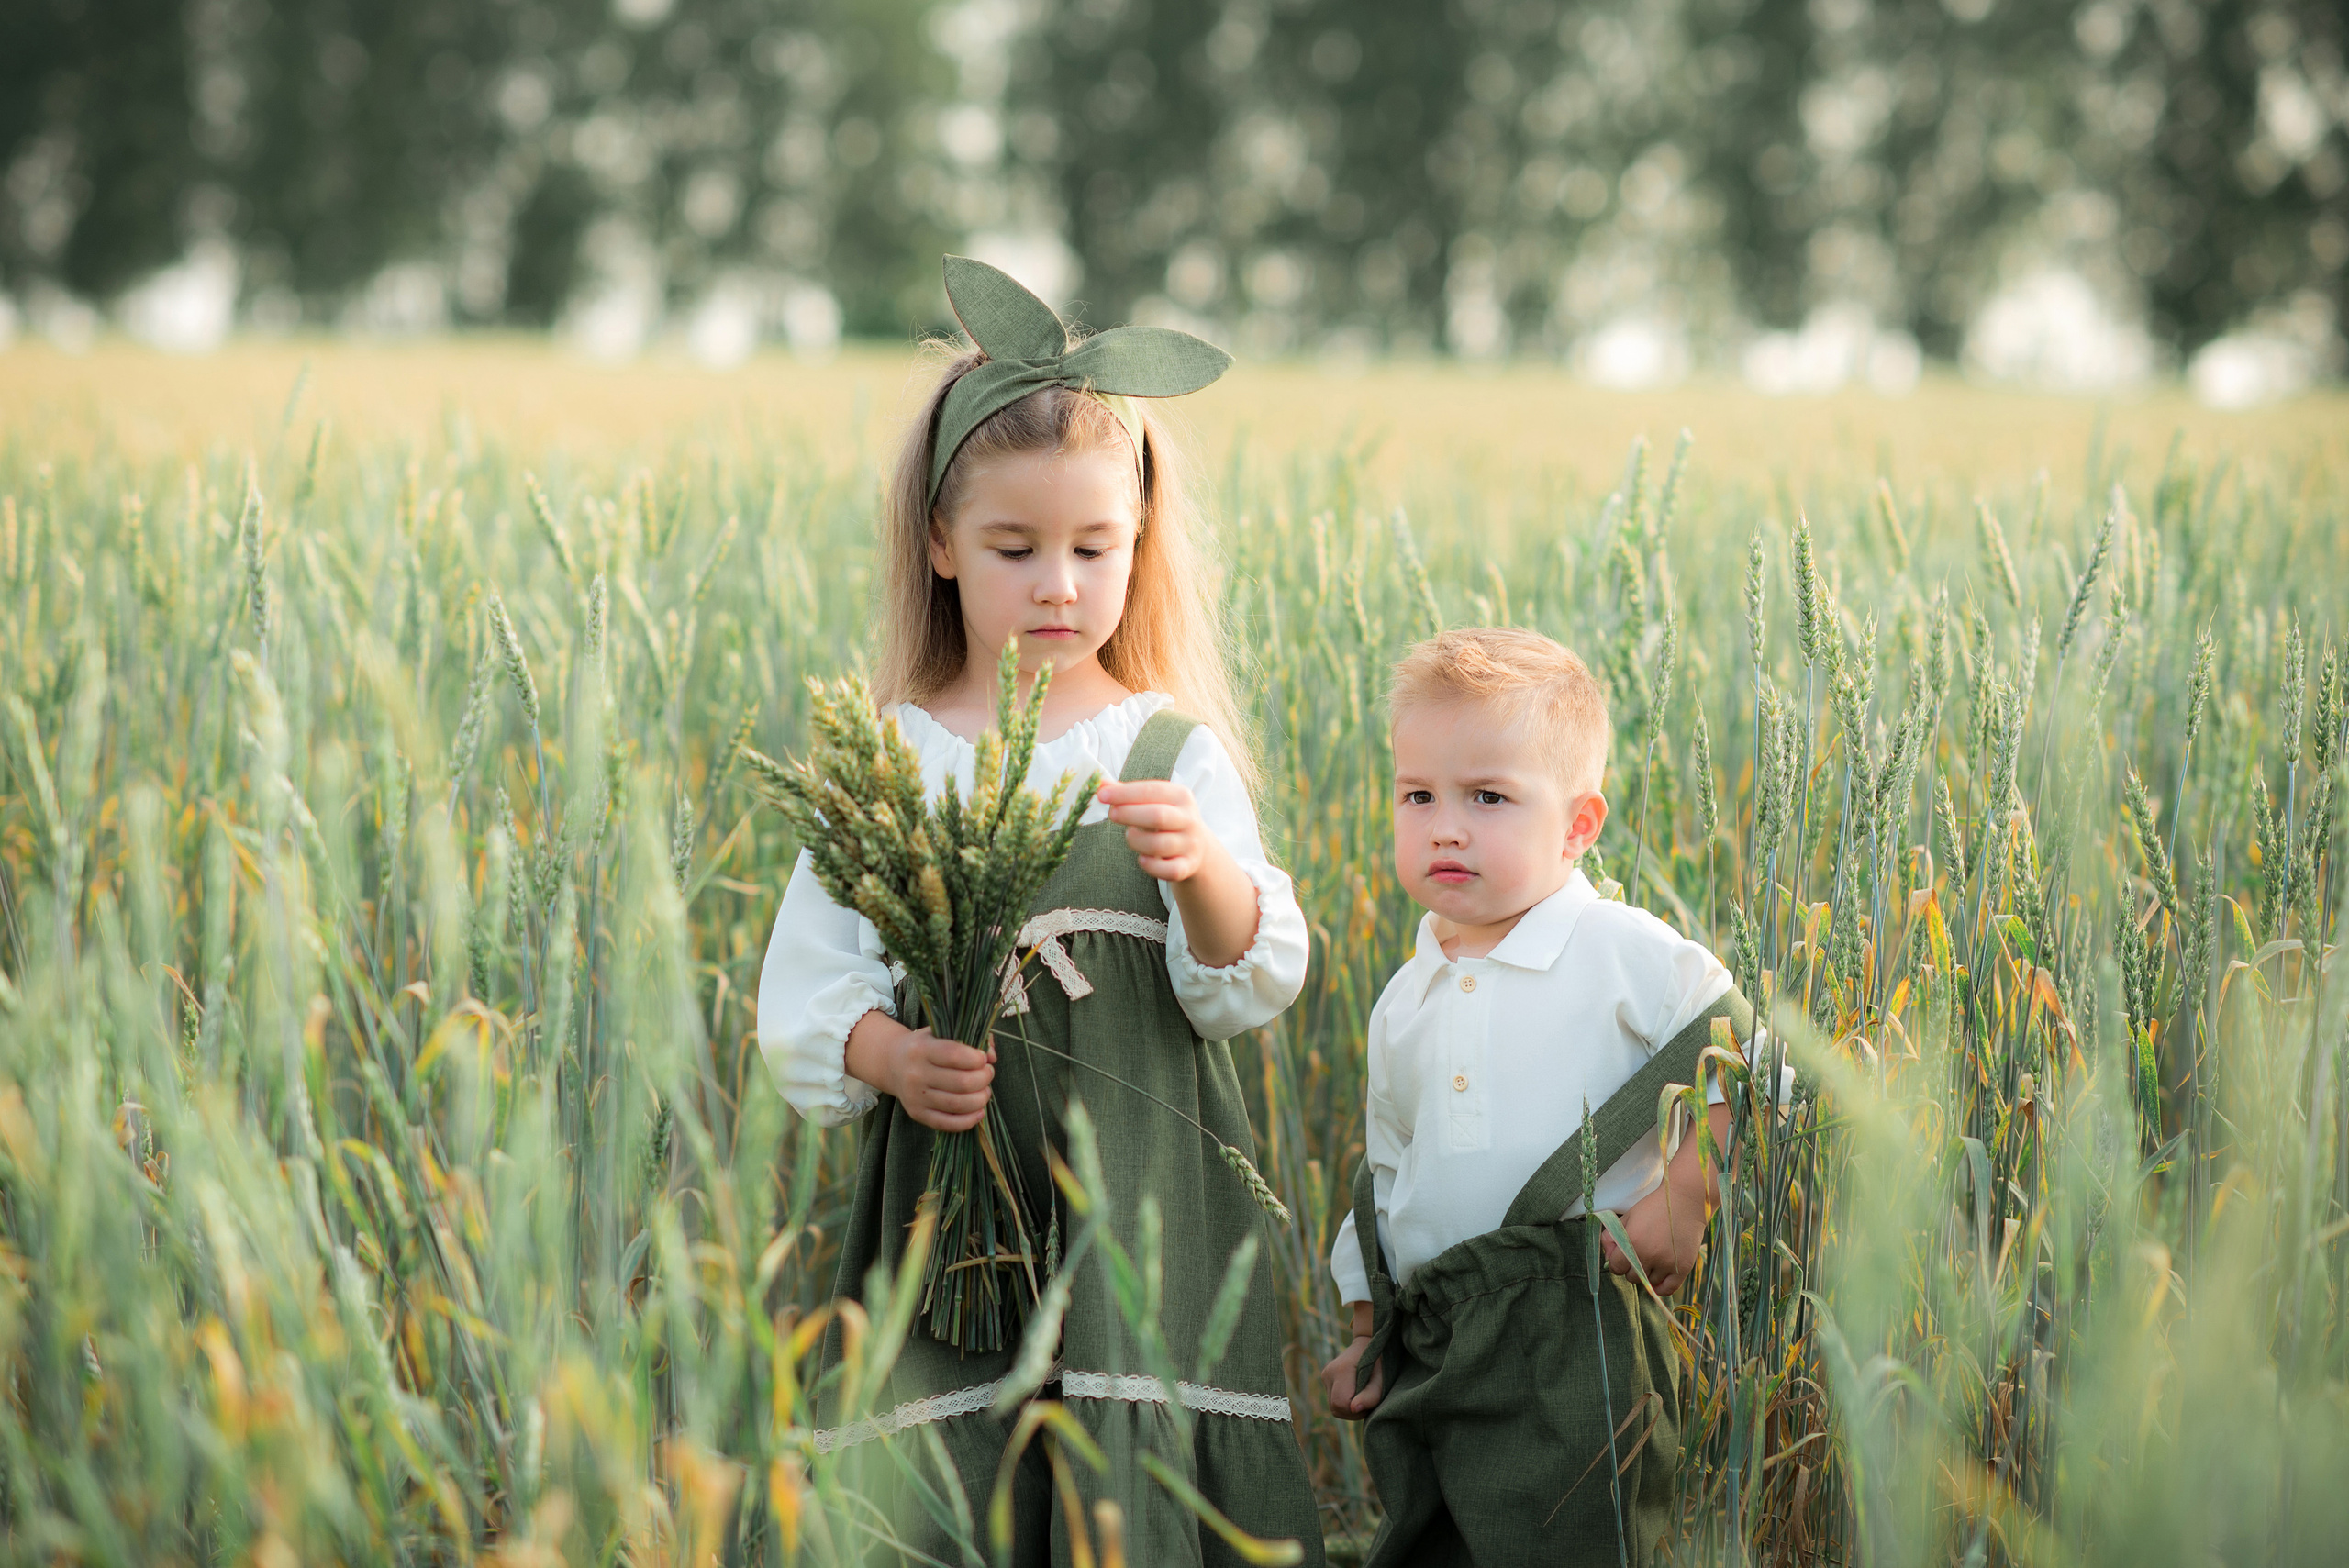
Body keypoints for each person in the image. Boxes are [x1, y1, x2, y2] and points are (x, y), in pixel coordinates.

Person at [758, 255, 1323, 1564]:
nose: (1059, 585)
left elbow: (1248, 978)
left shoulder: (1165, 750)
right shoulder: (892, 760)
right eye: (1017, 549)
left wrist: (1204, 877)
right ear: (943, 544)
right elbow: (807, 990)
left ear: (1139, 545)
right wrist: (892, 1057)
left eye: (1095, 548)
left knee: (1127, 1486)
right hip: (955, 1225)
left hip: (1144, 1202)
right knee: (961, 1469)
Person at [1318, 627, 1772, 1565]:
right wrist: (1369, 1324)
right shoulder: (1405, 996)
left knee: (1575, 1540)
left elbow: (1749, 1052)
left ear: (1577, 823)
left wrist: (1677, 1202)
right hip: (1438, 1339)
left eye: (1487, 796)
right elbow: (1388, 1172)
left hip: (1577, 1325)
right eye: (1418, 795)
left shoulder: (1615, 948)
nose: (1445, 823)